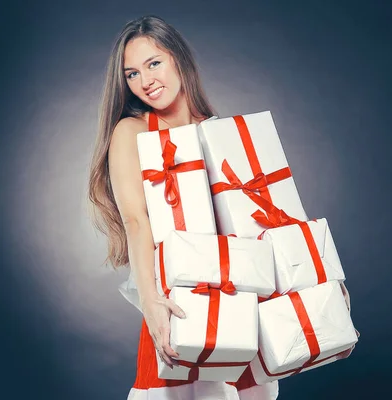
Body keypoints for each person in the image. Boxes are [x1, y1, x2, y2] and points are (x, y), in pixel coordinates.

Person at [88, 14, 355, 400]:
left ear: (179, 59)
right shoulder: (132, 131)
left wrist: (321, 279)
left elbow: (271, 218)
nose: (145, 81)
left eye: (154, 63)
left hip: (240, 299)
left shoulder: (222, 132)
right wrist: (151, 303)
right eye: (132, 74)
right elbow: (136, 219)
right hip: (180, 298)